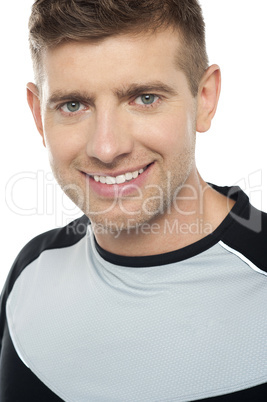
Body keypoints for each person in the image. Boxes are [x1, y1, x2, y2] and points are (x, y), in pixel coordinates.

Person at [0, 0, 266, 400]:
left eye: (145, 98)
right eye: (73, 105)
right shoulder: (31, 270)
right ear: (39, 115)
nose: (107, 147)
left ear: (205, 99)